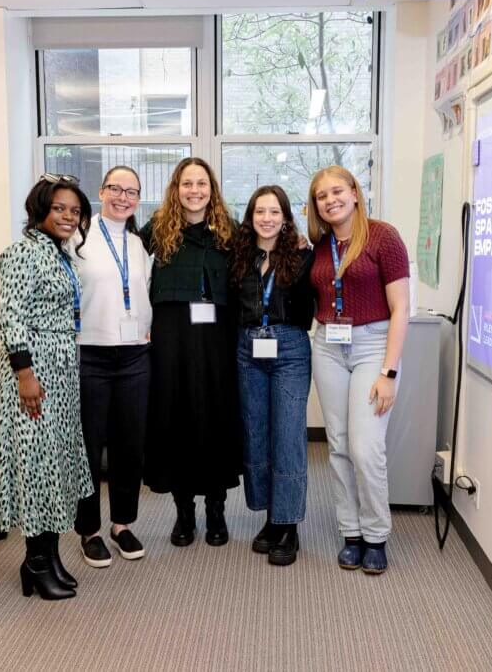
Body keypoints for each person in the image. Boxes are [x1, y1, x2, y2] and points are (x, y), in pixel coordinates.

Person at [0, 174, 95, 600]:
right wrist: (25, 375)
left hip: (61, 369)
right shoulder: (21, 252)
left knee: (55, 462)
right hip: (31, 372)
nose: (68, 216)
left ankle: (47, 557)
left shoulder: (59, 253)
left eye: (74, 210)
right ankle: (34, 561)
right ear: (40, 211)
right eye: (59, 209)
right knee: (35, 465)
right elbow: (11, 318)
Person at [307, 165, 410, 575]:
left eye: (337, 191)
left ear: (354, 192)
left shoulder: (383, 237)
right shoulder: (318, 244)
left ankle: (376, 534)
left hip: (373, 346)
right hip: (328, 347)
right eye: (321, 196)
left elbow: (402, 307)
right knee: (340, 444)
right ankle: (350, 532)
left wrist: (390, 371)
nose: (330, 200)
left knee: (367, 447)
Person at [140, 157, 242, 548]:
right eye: (187, 184)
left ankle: (216, 509)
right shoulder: (158, 228)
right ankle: (184, 513)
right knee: (176, 416)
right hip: (171, 336)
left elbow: (267, 249)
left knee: (215, 416)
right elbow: (124, 253)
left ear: (211, 189)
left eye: (201, 184)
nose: (194, 191)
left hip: (217, 337)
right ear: (176, 188)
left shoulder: (230, 231)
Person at [70, 166, 151, 569]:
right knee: (88, 446)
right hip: (91, 355)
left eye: (131, 191)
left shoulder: (138, 244)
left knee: (129, 446)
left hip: (135, 355)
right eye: (115, 189)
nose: (123, 196)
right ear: (101, 191)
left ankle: (122, 524)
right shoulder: (76, 238)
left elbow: (142, 291)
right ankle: (89, 531)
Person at [229, 185, 314, 567]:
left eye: (274, 212)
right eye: (260, 212)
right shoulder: (239, 255)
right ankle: (269, 516)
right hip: (248, 348)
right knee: (256, 434)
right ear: (250, 217)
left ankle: (289, 525)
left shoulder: (302, 255)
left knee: (289, 436)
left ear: (285, 217)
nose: (267, 218)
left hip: (290, 348)